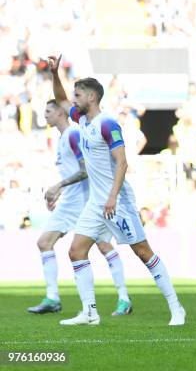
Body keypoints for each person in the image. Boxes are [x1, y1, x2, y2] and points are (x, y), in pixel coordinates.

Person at [47, 54, 185, 326]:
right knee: (76, 251)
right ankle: (89, 312)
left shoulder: (107, 124)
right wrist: (55, 74)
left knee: (143, 252)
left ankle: (176, 307)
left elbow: (122, 161)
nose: (72, 101)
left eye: (78, 96)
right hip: (96, 203)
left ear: (91, 98)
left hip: (117, 201)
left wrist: (112, 197)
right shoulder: (82, 120)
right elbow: (62, 100)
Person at [27, 99, 133, 316]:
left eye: (48, 111)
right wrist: (59, 192)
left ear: (59, 113)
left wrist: (59, 185)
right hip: (72, 200)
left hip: (83, 201)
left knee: (103, 246)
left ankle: (123, 298)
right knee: (45, 243)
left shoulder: (74, 135)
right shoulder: (64, 138)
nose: (44, 115)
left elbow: (85, 170)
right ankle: (53, 298)